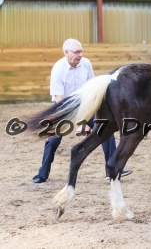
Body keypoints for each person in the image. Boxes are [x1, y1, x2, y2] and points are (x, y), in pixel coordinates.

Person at [32, 38, 132, 183]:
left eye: (81, 51)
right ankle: (42, 174)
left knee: (106, 131)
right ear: (66, 52)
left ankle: (113, 169)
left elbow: (92, 88)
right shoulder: (58, 69)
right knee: (53, 140)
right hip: (64, 108)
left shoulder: (86, 64)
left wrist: (88, 118)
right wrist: (79, 123)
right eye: (76, 52)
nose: (80, 55)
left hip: (85, 104)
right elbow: (60, 101)